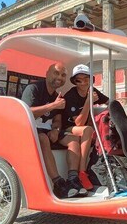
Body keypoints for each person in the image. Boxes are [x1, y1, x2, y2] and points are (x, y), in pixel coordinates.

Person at [21, 62, 86, 199]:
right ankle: (58, 183)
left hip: (48, 131)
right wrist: (53, 105)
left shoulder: (57, 96)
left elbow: (57, 120)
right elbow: (26, 113)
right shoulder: (33, 88)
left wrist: (56, 130)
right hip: (29, 130)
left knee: (74, 140)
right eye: (56, 73)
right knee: (43, 139)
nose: (60, 77)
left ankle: (73, 179)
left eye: (63, 75)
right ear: (47, 73)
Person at [62, 64, 109, 190]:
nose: (83, 83)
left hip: (82, 128)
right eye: (79, 80)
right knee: (88, 130)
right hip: (67, 127)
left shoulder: (92, 90)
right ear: (74, 81)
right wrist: (89, 101)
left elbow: (109, 101)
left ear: (90, 79)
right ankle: (82, 172)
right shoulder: (70, 96)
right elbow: (78, 123)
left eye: (86, 79)